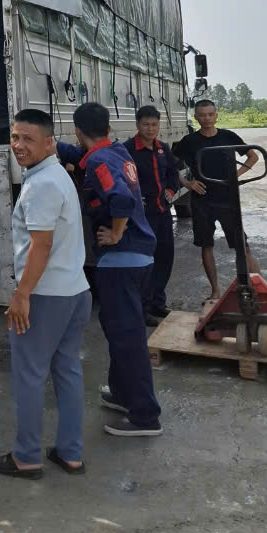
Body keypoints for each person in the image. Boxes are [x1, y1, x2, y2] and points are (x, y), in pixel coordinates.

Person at [0, 109, 92, 480]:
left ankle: (27, 457)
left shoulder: (42, 184)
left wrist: (22, 294)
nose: (18, 145)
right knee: (68, 371)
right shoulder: (57, 175)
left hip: (47, 297)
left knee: (30, 377)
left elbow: (41, 245)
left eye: (28, 139)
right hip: (75, 291)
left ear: (49, 143)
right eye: (15, 137)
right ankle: (70, 453)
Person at [58, 102, 162, 438]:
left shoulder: (100, 162)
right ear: (107, 127)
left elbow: (121, 199)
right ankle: (122, 393)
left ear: (77, 130)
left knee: (127, 339)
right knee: (120, 330)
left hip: (121, 260)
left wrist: (116, 233)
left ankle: (145, 416)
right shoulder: (116, 151)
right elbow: (79, 153)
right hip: (140, 257)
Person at [173, 99, 259, 300]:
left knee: (243, 246)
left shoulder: (228, 136)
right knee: (206, 245)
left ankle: (258, 289)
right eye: (202, 115)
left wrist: (235, 175)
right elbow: (171, 164)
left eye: (210, 114)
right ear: (196, 117)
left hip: (228, 199)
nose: (207, 119)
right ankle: (215, 291)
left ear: (216, 115)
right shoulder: (189, 141)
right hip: (202, 200)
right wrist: (187, 183)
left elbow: (253, 156)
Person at [124, 105, 181, 326]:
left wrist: (171, 190)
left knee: (164, 259)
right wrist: (133, 198)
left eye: (154, 124)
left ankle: (158, 303)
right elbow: (121, 179)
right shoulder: (127, 150)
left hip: (162, 213)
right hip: (141, 217)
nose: (150, 129)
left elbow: (173, 173)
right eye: (146, 124)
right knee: (144, 262)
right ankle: (144, 308)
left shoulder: (162, 148)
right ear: (137, 125)